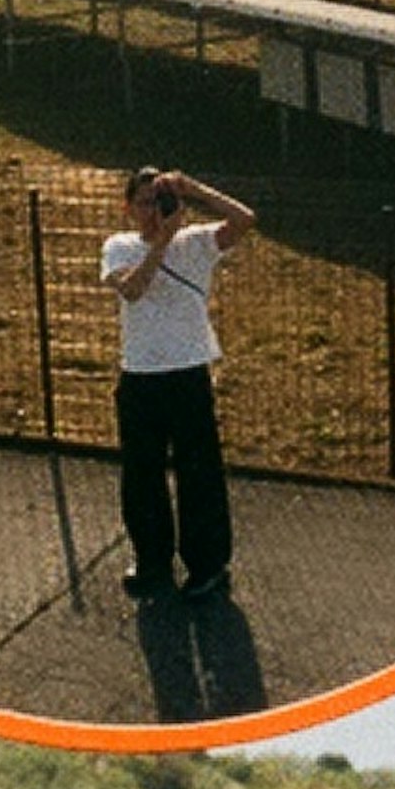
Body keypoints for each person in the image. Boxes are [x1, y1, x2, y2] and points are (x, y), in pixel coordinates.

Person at [100, 162, 254, 601]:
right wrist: (162, 238)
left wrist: (195, 187)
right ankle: (152, 561)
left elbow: (245, 221)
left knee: (199, 472)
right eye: (146, 202)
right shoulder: (119, 246)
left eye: (162, 201)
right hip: (141, 375)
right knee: (141, 474)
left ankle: (207, 566)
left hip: (187, 372)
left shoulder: (196, 243)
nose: (155, 210)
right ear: (128, 207)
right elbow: (132, 289)